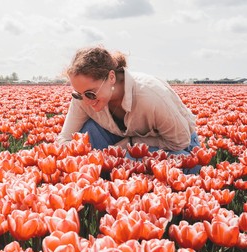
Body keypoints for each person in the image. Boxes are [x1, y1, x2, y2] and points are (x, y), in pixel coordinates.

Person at [57, 46, 200, 173]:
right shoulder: (82, 98)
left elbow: (180, 142)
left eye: (90, 93)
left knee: (129, 159)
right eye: (78, 94)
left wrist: (129, 144)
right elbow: (65, 139)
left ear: (111, 77)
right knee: (86, 133)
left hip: (177, 144)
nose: (86, 101)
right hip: (119, 139)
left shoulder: (151, 95)